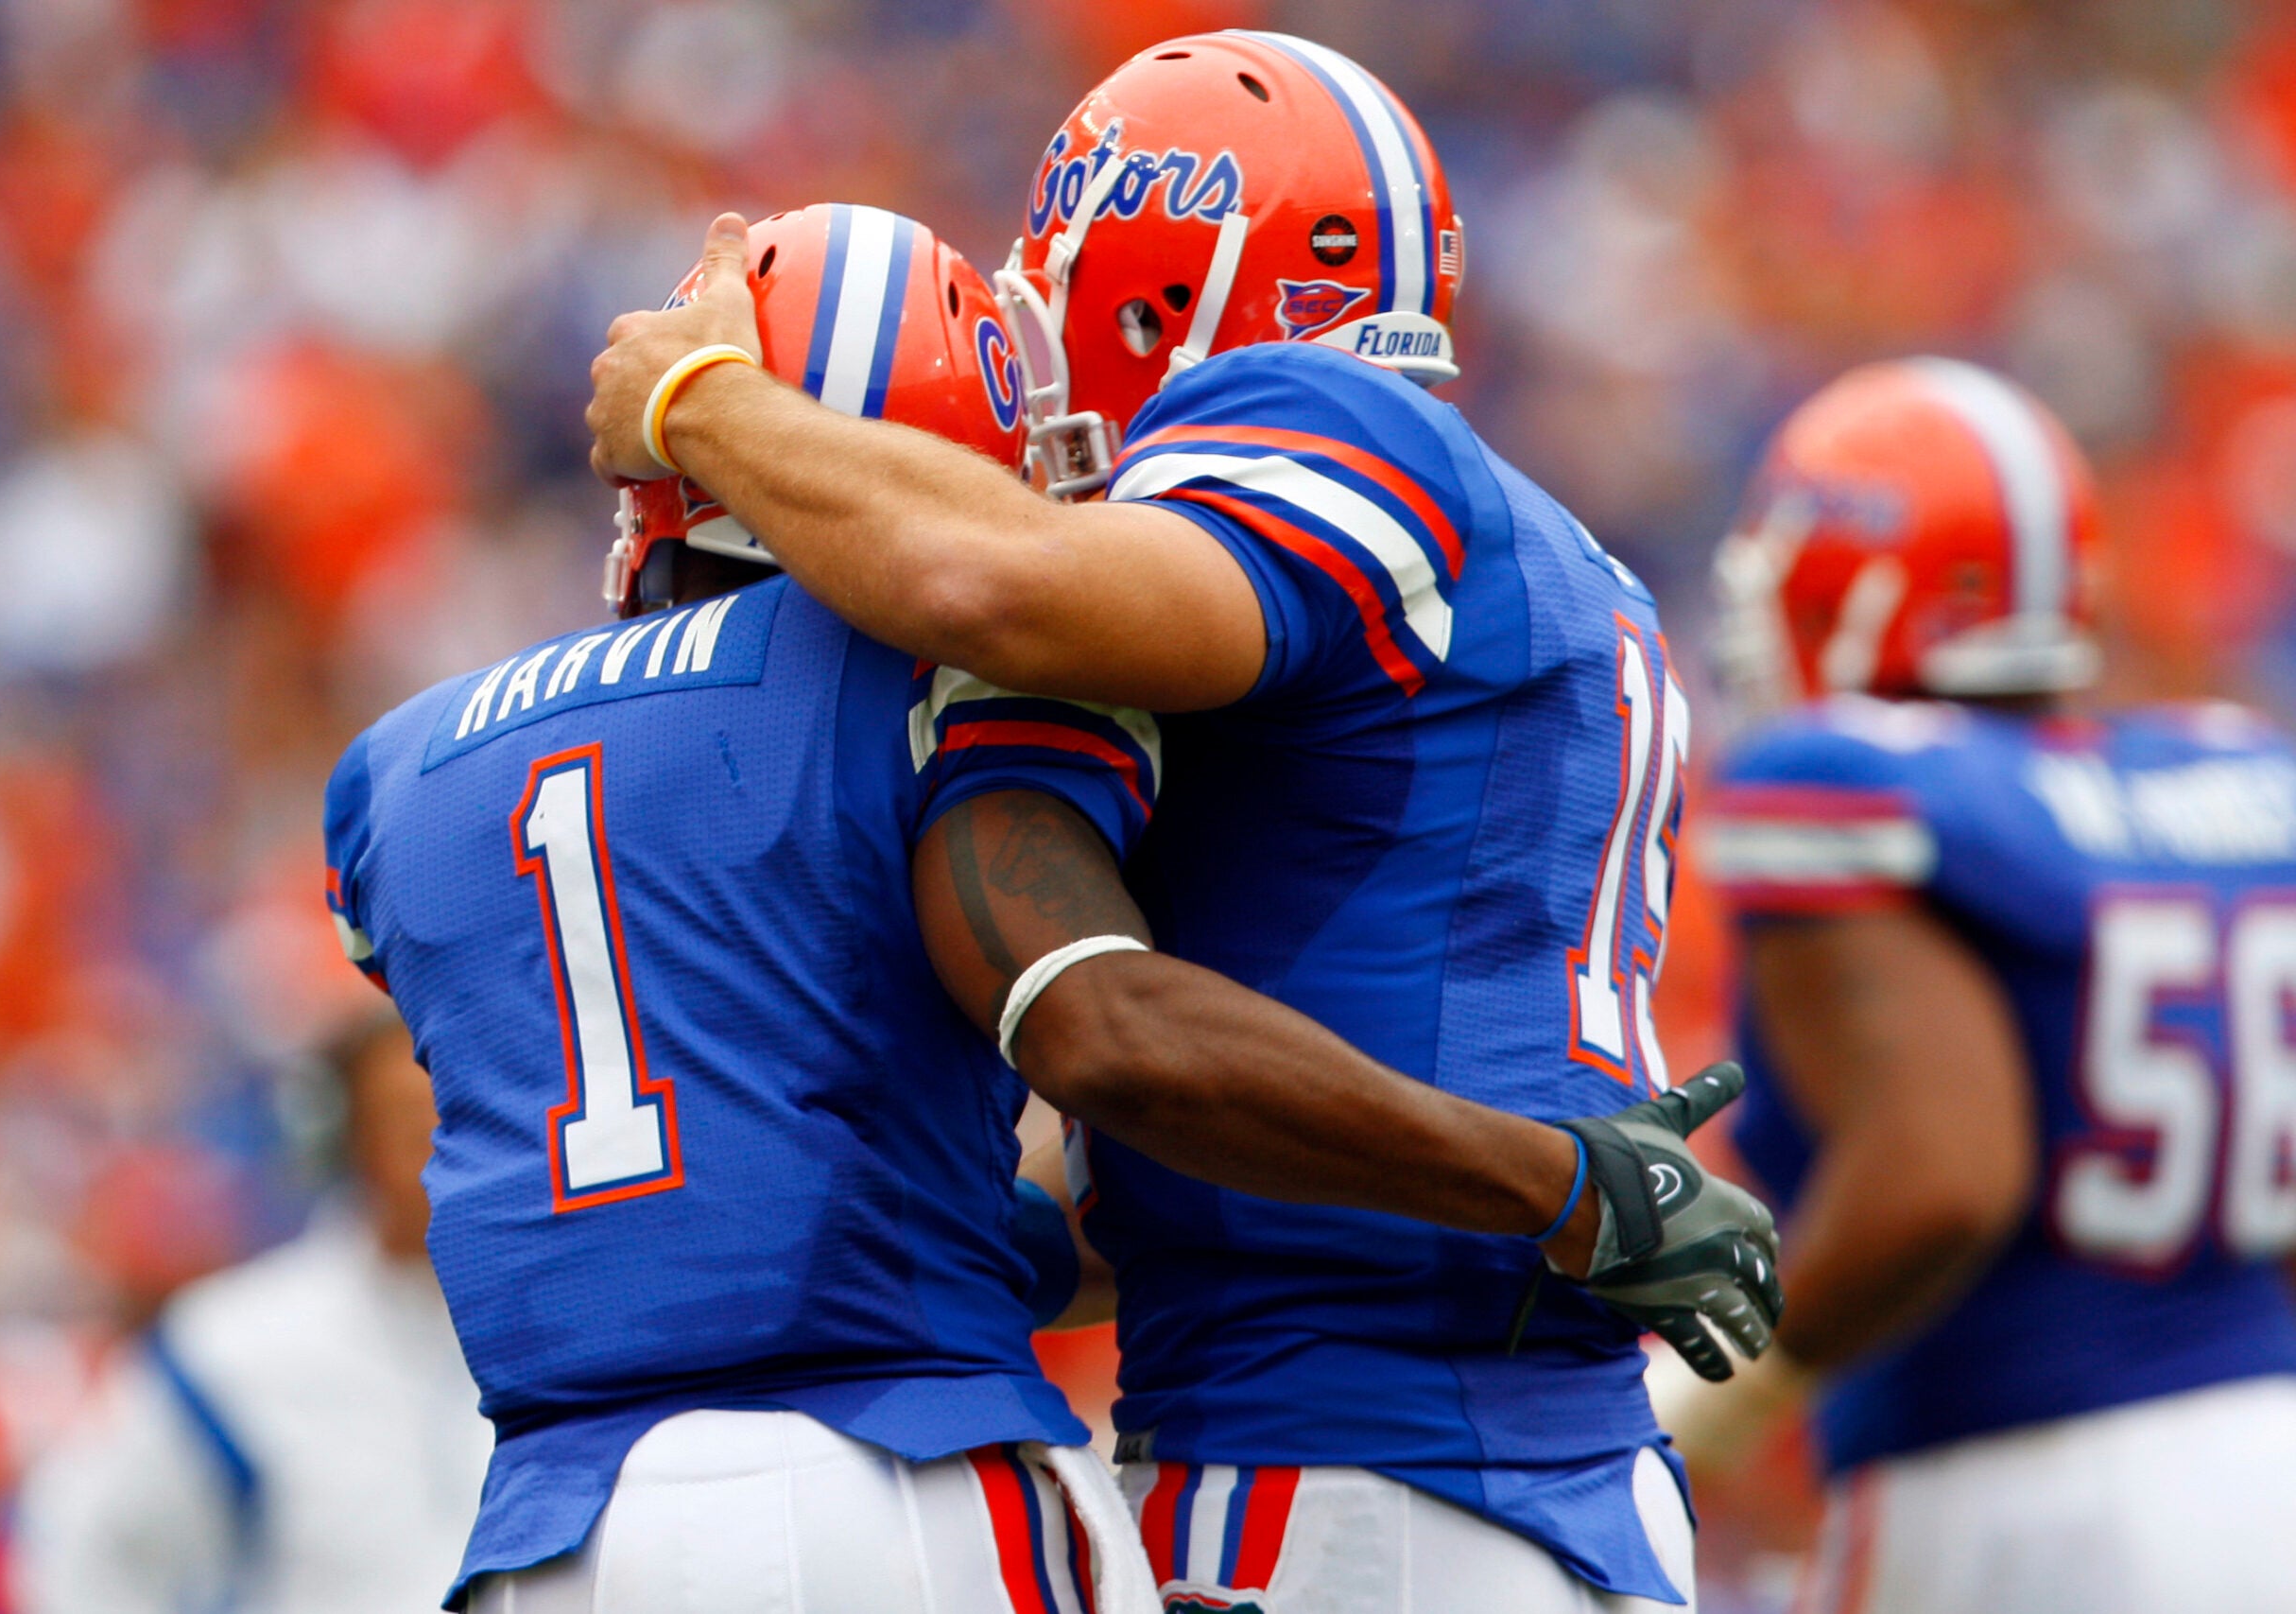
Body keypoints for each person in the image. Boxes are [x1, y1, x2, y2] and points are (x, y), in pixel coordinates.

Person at [337, 202, 1770, 1614]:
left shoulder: (395, 775)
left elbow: (728, 1159)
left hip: (551, 1527)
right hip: (915, 1472)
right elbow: (1089, 1017)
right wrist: (1553, 1181)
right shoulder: (930, 673)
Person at [1682, 357, 2296, 1613]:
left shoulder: (1843, 779)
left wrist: (1709, 1397)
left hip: (2004, 1481)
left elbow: (1941, 1179)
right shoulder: (2233, 773)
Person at [12, 1012, 492, 1614]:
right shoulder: (230, 1346)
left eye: (459, 1119)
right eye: (404, 1122)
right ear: (344, 1139)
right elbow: (83, 1540)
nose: (437, 1149)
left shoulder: (576, 1325)